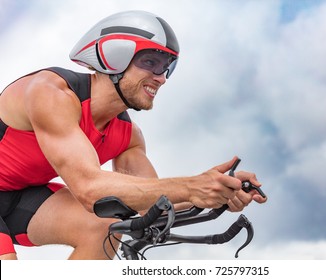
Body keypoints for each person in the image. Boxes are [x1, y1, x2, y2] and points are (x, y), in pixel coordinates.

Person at [0, 10, 266, 260]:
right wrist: (193, 185)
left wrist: (219, 190)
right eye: (151, 62)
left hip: (18, 195)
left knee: (107, 224)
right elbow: (88, 188)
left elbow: (152, 203)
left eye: (166, 68)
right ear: (113, 56)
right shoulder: (52, 93)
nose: (161, 78)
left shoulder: (129, 136)